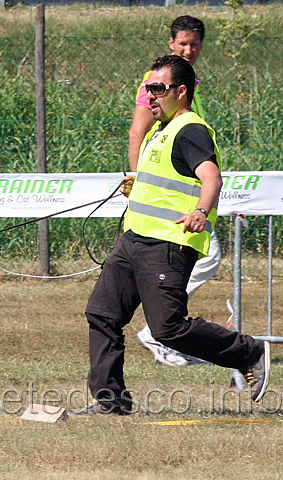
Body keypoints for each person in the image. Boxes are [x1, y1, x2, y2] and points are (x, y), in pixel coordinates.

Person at [81, 55, 270, 415]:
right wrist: (137, 184)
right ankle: (110, 403)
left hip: (168, 244)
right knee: (102, 314)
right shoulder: (158, 130)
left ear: (181, 92)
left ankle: (249, 352)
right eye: (147, 88)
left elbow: (211, 177)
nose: (150, 96)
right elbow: (167, 180)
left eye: (158, 89)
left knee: (167, 328)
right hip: (133, 240)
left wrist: (201, 210)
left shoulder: (190, 130)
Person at [129, 15, 222, 367]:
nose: (189, 49)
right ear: (171, 44)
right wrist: (139, 180)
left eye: (194, 44)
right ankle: (158, 332)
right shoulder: (159, 83)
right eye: (182, 44)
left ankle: (160, 331)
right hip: (169, 207)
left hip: (180, 199)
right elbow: (138, 131)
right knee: (207, 256)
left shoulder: (185, 82)